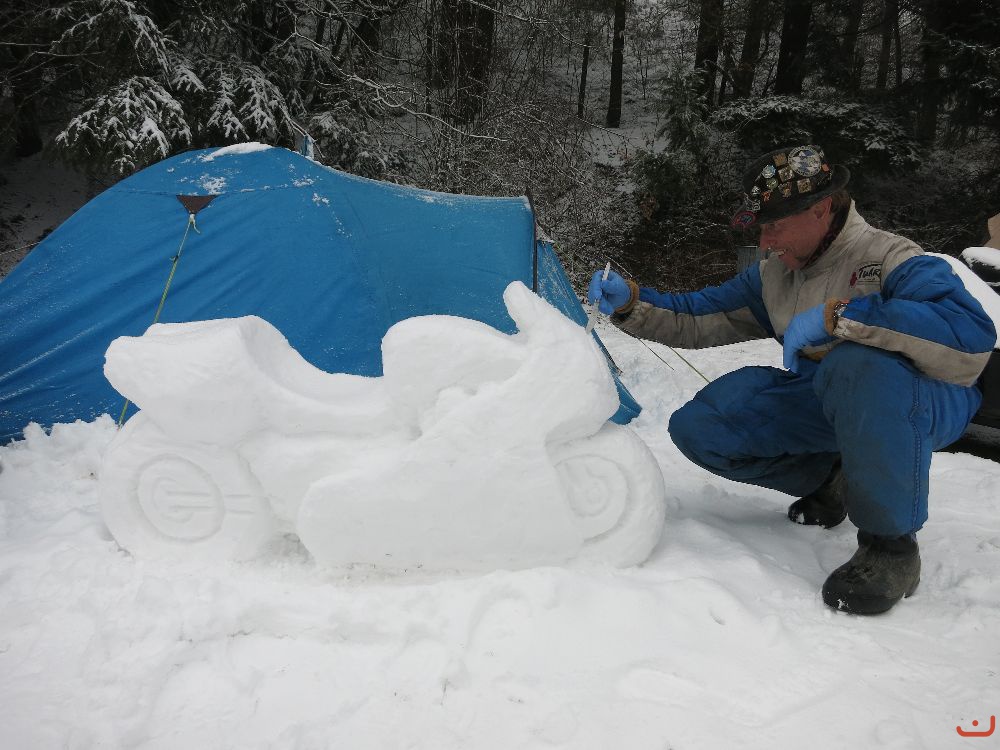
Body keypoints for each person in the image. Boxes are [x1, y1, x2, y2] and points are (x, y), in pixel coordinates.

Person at [589, 144, 997, 615]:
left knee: (857, 365)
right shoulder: (775, 276)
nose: (766, 243)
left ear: (820, 208)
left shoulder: (893, 257)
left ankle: (891, 547)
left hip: (924, 399)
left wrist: (840, 317)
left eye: (775, 226)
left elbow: (969, 337)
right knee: (703, 426)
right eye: (761, 228)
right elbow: (699, 314)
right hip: (832, 398)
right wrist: (630, 303)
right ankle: (832, 481)